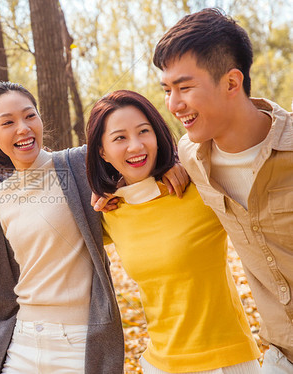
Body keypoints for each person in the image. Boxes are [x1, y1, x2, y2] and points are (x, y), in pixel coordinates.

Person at [0, 81, 189, 374]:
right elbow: (3, 285)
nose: (23, 128)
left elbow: (135, 152)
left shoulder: (78, 165)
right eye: (8, 122)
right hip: (21, 343)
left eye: (29, 116)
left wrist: (171, 163)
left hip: (78, 343)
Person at [153, 8, 293, 373]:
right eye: (167, 90)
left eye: (184, 87)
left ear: (232, 83)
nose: (173, 104)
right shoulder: (191, 156)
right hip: (281, 355)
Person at [86, 89, 261, 373]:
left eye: (144, 131)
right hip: (160, 364)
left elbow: (238, 134)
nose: (136, 146)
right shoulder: (110, 212)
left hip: (228, 359)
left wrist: (183, 160)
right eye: (120, 138)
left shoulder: (197, 186)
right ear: (102, 152)